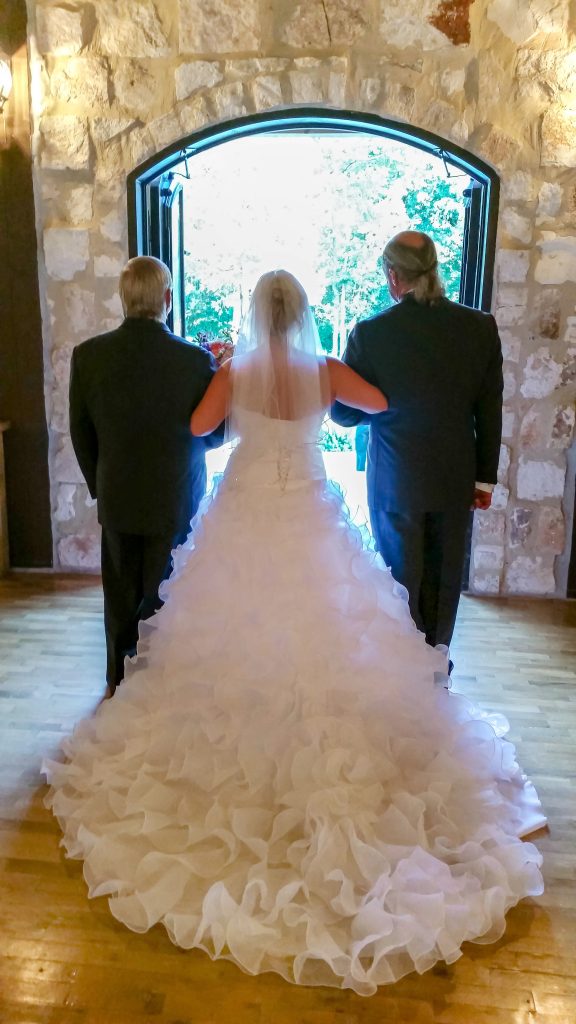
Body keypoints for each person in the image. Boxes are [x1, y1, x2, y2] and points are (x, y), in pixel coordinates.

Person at [45, 270, 543, 997]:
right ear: (304, 314)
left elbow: (196, 430)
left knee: (229, 633)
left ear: (253, 314)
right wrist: (331, 389)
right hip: (309, 514)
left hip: (244, 517)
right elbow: (379, 402)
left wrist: (225, 377)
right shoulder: (326, 369)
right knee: (329, 633)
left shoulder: (235, 369)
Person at [332, 231, 503, 668]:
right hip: (454, 476)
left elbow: (345, 415)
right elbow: (489, 410)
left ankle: (403, 672)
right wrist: (484, 479)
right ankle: (435, 670)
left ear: (393, 276)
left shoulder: (370, 334)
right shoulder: (479, 327)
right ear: (435, 270)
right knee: (445, 580)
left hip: (396, 479)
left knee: (399, 577)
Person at [69, 256, 223, 695]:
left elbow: (81, 431)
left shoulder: (89, 356)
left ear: (123, 298)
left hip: (117, 493)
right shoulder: (195, 362)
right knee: (164, 592)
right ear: (168, 300)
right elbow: (210, 435)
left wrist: (100, 483)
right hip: (174, 495)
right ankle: (158, 683)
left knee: (119, 595)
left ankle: (117, 682)